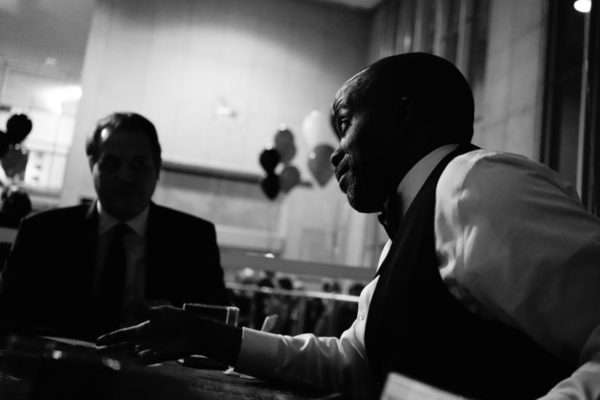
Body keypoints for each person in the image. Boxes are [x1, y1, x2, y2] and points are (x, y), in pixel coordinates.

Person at [96, 54, 600, 399]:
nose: (335, 150)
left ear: (403, 116)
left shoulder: (476, 185)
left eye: (345, 123)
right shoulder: (411, 226)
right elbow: (353, 363)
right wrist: (212, 337)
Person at [0, 112, 229, 340]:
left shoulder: (194, 240)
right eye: (111, 163)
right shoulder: (43, 233)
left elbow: (218, 332)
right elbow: (8, 318)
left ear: (157, 167)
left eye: (138, 165)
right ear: (92, 166)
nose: (125, 177)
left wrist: (183, 325)